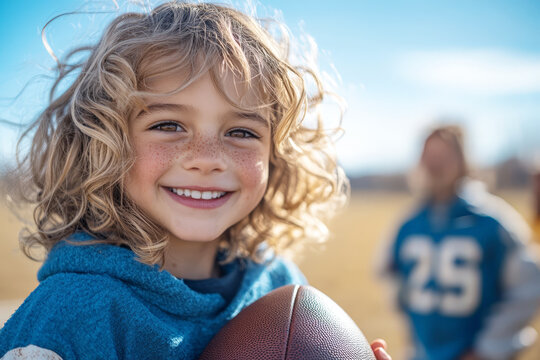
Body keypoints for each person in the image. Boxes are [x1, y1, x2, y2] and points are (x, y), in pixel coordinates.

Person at [0, 2, 391, 359]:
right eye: (168, 125)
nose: (206, 158)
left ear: (276, 154)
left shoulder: (278, 287)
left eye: (241, 132)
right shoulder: (71, 312)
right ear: (104, 142)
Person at [378, 125, 540, 360]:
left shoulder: (493, 221)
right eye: (429, 156)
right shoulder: (408, 223)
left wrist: (489, 347)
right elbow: (389, 275)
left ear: (463, 160)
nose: (435, 165)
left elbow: (528, 287)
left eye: (443, 157)